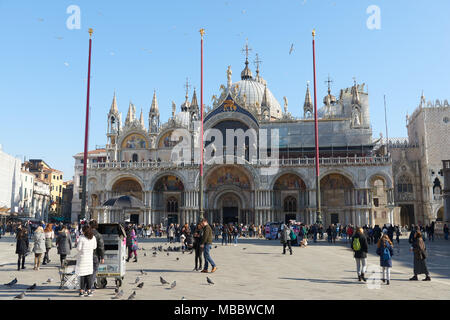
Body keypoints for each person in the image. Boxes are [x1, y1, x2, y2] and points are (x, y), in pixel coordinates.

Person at [75, 225, 97, 297]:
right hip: (89, 258)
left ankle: (81, 291)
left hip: (82, 258)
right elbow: (95, 247)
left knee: (82, 275)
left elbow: (78, 248)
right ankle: (89, 290)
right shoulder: (93, 238)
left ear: (84, 231)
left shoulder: (81, 238)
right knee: (89, 275)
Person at [89, 220, 105, 289]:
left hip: (87, 255)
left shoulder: (86, 234)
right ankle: (90, 287)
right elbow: (101, 247)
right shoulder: (98, 235)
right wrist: (102, 257)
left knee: (87, 271)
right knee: (94, 271)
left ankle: (85, 286)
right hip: (95, 256)